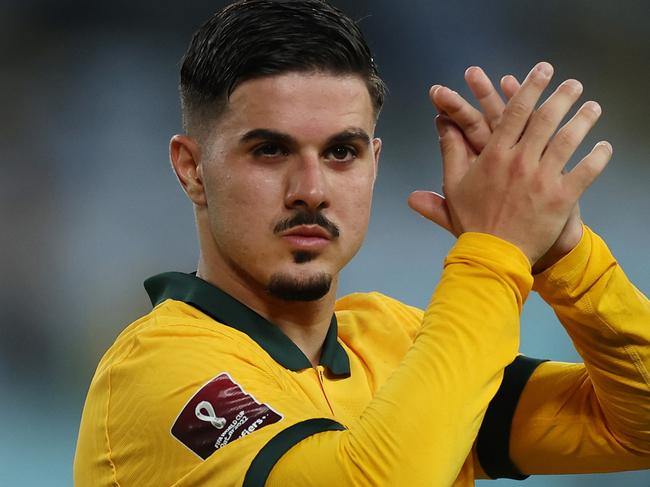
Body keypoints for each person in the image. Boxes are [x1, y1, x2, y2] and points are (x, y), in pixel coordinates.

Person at [73, 1, 650, 485]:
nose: (312, 190)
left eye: (341, 152)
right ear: (192, 169)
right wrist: (496, 251)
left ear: (374, 166)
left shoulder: (395, 340)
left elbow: (637, 426)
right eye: (270, 150)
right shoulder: (155, 373)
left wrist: (562, 253)